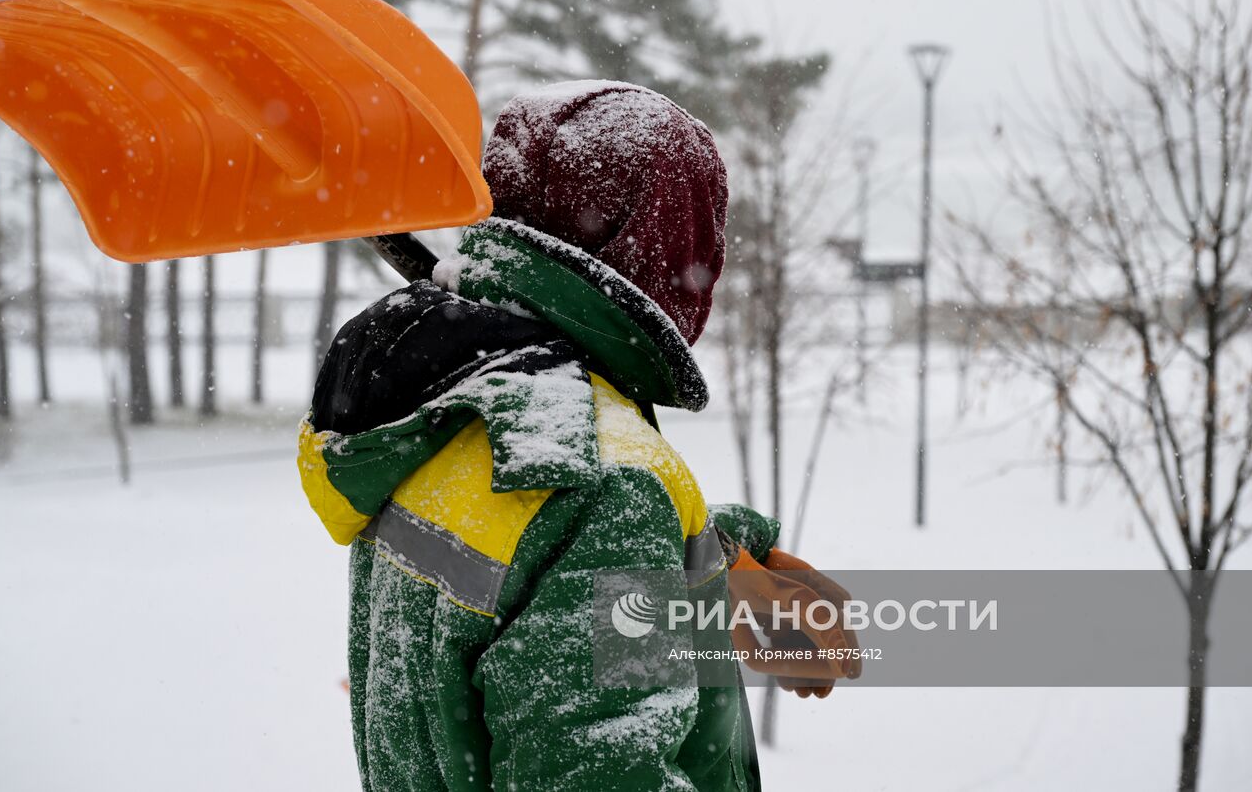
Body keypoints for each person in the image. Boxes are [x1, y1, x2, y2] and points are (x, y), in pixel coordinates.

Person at [299, 80, 846, 791]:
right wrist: (646, 553)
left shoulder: (450, 401)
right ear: (660, 248)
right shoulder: (603, 484)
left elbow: (529, 575)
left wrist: (710, 566)